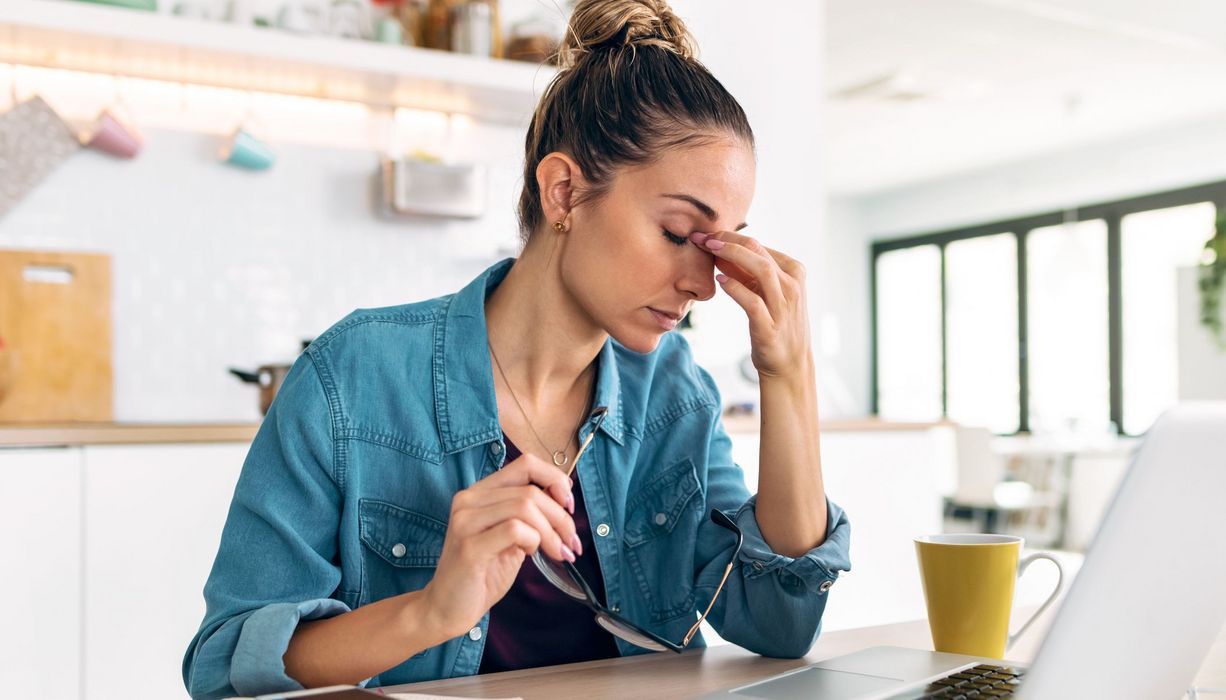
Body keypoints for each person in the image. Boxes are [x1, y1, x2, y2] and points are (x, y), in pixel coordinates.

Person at [181, 1, 851, 697]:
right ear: (564, 192)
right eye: (680, 233)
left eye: (722, 243)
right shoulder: (352, 379)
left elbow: (781, 623)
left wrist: (789, 372)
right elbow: (227, 669)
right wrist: (431, 610)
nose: (702, 284)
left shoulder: (674, 391)